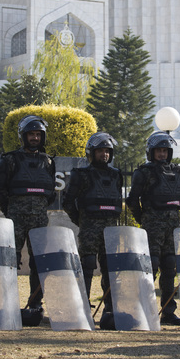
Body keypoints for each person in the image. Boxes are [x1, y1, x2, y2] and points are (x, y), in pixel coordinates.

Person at [0, 115, 55, 312]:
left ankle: (36, 304)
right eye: (31, 134)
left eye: (38, 135)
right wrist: (11, 212)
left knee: (38, 261)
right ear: (23, 136)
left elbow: (51, 193)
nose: (35, 138)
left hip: (39, 219)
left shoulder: (48, 162)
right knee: (10, 260)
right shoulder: (11, 160)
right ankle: (7, 303)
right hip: (16, 218)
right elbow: (0, 192)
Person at [63, 132, 122, 328]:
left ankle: (111, 309)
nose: (104, 155)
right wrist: (82, 221)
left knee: (110, 268)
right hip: (89, 226)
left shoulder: (116, 175)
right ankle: (83, 307)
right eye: (100, 151)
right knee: (87, 265)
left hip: (110, 229)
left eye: (107, 151)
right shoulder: (81, 175)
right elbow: (68, 202)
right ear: (92, 153)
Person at [127, 131, 180, 326]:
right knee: (149, 267)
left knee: (170, 267)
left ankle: (169, 311)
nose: (162, 154)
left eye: (165, 151)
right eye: (158, 151)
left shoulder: (177, 172)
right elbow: (132, 200)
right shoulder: (143, 172)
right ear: (151, 152)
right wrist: (143, 219)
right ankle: (144, 309)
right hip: (152, 224)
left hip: (172, 226)